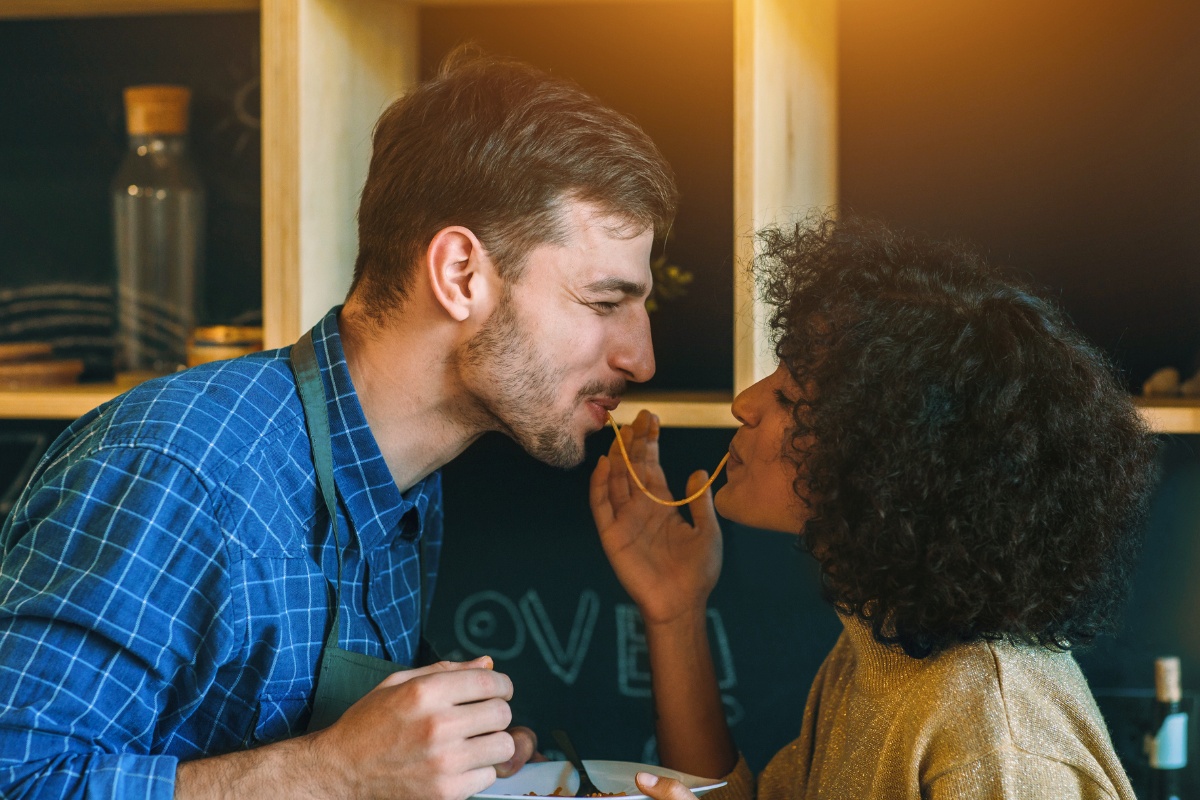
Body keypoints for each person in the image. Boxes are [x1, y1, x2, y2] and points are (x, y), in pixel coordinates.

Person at [0, 50, 675, 800]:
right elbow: (17, 780)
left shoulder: (406, 480)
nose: (641, 358)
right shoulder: (177, 471)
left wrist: (451, 761)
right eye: (604, 302)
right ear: (460, 274)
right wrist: (334, 772)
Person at [591, 214, 1158, 799]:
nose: (745, 403)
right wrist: (676, 611)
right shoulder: (883, 640)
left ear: (890, 454)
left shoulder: (995, 745)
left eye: (788, 393)